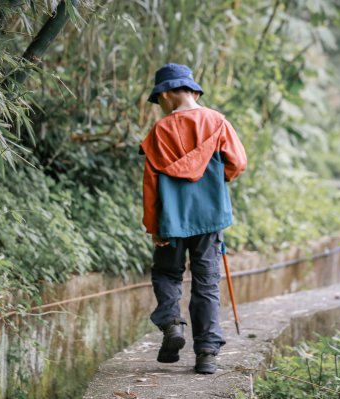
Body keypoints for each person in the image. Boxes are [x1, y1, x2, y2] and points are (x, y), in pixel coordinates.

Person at [139, 63, 247, 374]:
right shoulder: (217, 122)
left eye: (159, 99)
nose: (160, 105)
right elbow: (238, 163)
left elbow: (151, 184)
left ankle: (173, 325)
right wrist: (213, 181)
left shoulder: (160, 131)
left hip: (172, 219)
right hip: (210, 217)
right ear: (193, 91)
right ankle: (207, 355)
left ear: (169, 93)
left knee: (166, 274)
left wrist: (152, 226)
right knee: (206, 283)